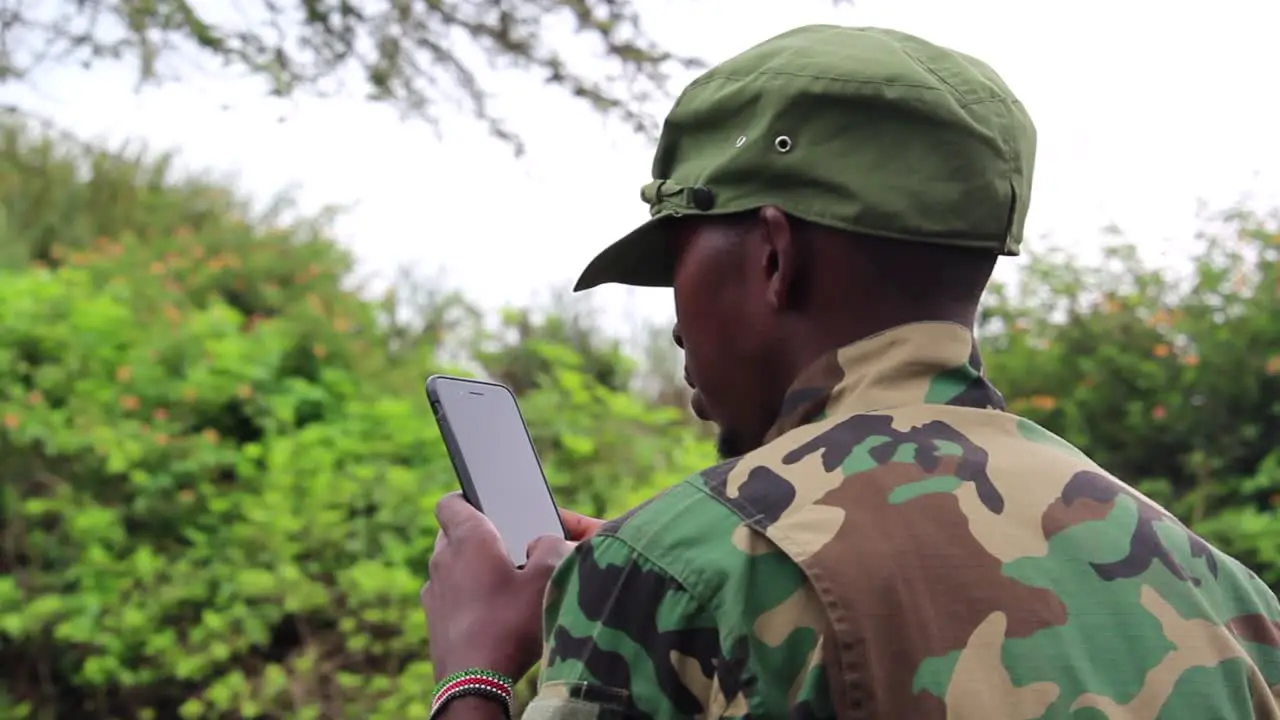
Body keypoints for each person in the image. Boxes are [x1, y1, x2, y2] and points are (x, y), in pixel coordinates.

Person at [421, 24, 1280, 720]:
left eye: (675, 259)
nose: (675, 318)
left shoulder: (675, 574)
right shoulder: (1230, 600)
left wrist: (476, 674)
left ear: (772, 256)